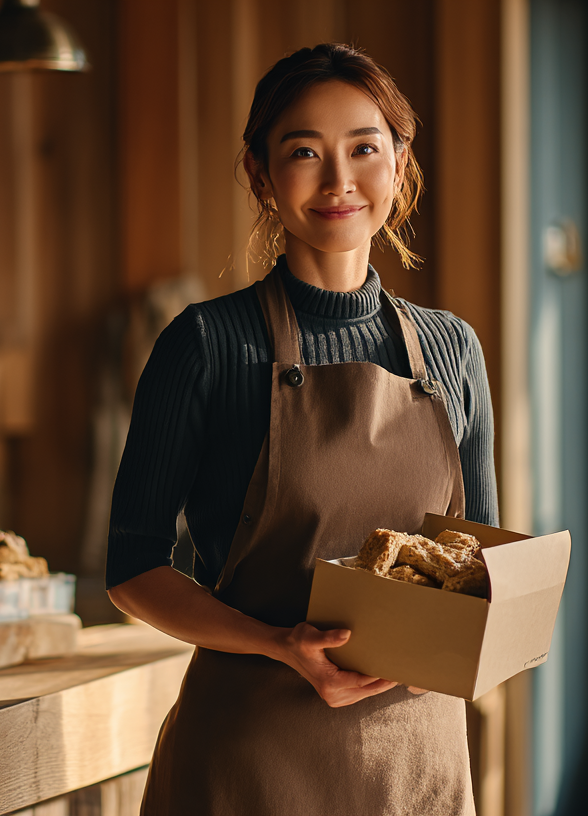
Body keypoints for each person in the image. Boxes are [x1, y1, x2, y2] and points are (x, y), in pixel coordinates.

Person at [106, 43, 498, 815]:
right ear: (260, 174)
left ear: (399, 161)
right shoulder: (207, 345)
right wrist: (280, 644)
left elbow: (479, 559)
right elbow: (131, 568)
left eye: (363, 148)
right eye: (304, 153)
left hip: (416, 765)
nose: (339, 181)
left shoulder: (453, 349)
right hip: (252, 759)